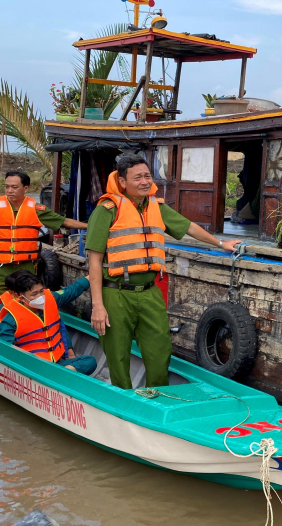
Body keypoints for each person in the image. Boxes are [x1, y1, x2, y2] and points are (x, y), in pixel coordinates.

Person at [85, 155, 242, 389]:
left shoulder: (156, 207)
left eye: (147, 176)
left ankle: (156, 397)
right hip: (115, 293)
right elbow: (94, 261)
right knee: (118, 355)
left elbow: (188, 227)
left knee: (160, 351)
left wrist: (220, 243)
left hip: (149, 292)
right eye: (137, 177)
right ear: (122, 181)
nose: (144, 181)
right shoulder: (107, 209)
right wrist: (98, 306)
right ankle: (124, 400)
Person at [0, 170, 88, 319]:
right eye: (7, 187)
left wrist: (90, 226)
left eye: (14, 187)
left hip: (25, 267)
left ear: (25, 188)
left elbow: (63, 221)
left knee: (28, 307)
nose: (9, 190)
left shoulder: (36, 209)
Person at [0, 270, 97, 375]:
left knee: (90, 361)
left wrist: (94, 273)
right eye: (34, 294)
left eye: (41, 291)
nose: (40, 296)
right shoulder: (11, 318)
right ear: (21, 297)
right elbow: (3, 347)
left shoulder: (50, 299)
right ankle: (58, 376)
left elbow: (72, 290)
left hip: (56, 363)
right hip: (31, 368)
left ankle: (57, 374)